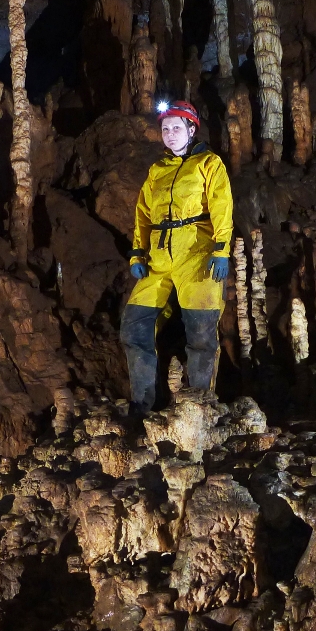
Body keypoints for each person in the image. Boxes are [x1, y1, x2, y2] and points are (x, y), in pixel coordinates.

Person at [121, 99, 233, 414]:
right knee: (134, 327)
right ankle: (142, 404)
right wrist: (137, 254)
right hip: (158, 255)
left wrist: (221, 249)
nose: (170, 134)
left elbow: (221, 206)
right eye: (165, 129)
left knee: (200, 333)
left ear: (191, 129)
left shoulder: (209, 164)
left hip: (197, 252)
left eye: (176, 128)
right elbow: (143, 214)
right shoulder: (157, 169)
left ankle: (200, 407)